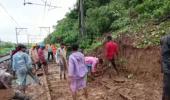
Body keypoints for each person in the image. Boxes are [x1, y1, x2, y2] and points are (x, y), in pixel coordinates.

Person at [161, 34, 170, 100]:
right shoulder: (166, 39)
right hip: (167, 68)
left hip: (166, 66)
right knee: (167, 88)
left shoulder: (164, 38)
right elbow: (165, 57)